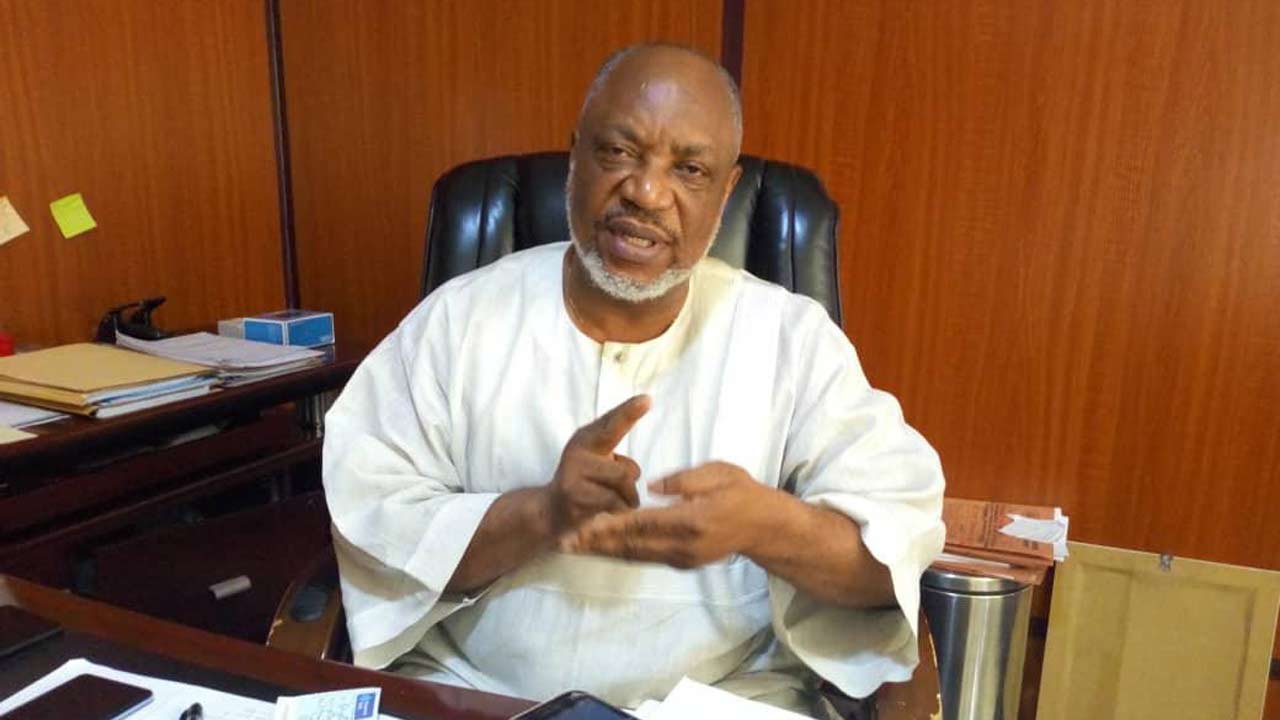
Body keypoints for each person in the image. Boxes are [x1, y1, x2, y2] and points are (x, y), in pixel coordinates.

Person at [322, 43, 944, 715]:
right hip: (478, 694)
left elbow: (891, 560)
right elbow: (374, 525)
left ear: (726, 191)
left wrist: (765, 526)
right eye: (618, 152)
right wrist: (542, 514)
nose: (646, 193)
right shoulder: (457, 321)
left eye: (689, 169)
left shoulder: (793, 340)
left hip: (724, 697)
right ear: (575, 157)